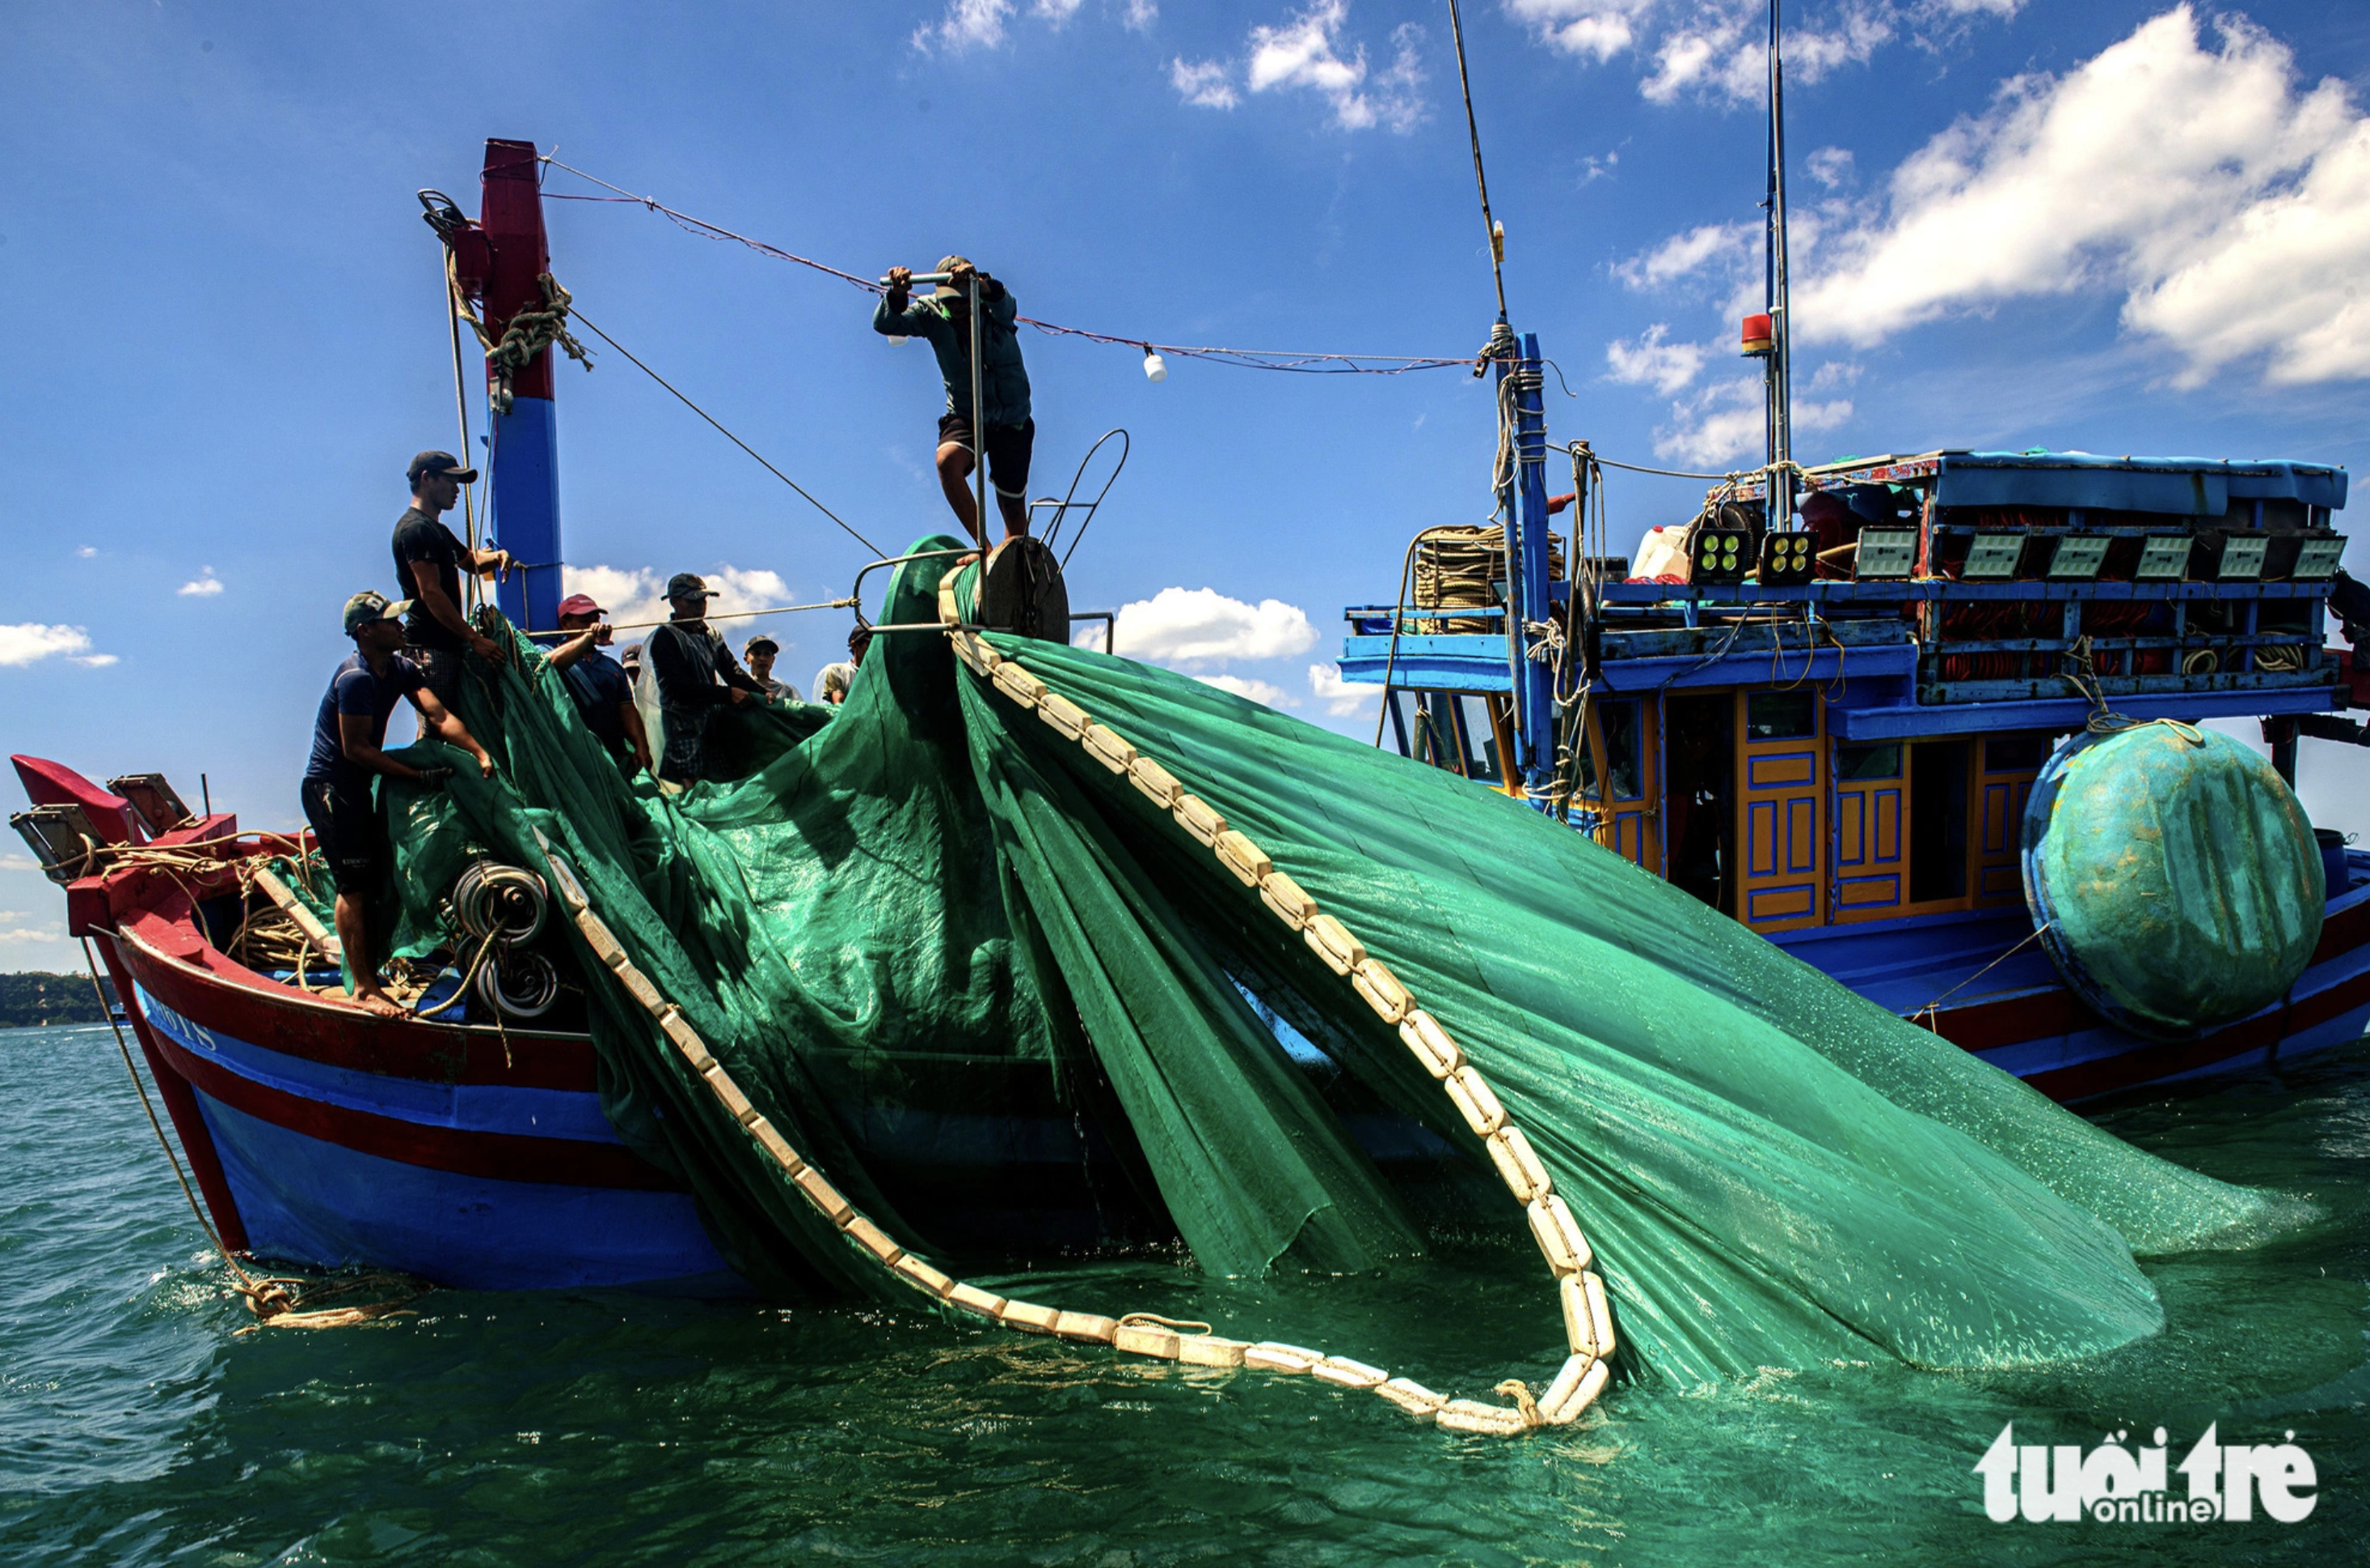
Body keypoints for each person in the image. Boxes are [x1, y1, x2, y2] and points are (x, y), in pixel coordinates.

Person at [303, 591, 496, 1018]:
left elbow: (440, 717)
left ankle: (371, 974)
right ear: (365, 631)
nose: (400, 626)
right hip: (332, 788)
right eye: (390, 622)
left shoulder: (402, 668)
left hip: (358, 786)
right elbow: (356, 750)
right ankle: (365, 990)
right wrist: (415, 776)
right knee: (353, 884)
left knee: (371, 880)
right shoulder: (354, 678)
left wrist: (480, 754)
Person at [874, 256, 1033, 546]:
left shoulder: (995, 307)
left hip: (1013, 417)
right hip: (966, 412)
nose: (957, 307)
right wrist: (896, 295)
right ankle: (984, 550)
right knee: (947, 461)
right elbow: (886, 323)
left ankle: (1015, 564)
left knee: (1013, 514)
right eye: (950, 300)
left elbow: (1004, 300)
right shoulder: (930, 312)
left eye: (962, 300)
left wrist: (981, 285)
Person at [393, 449, 513, 706]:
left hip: (447, 646)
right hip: (429, 649)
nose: (457, 489)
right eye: (450, 480)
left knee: (454, 724)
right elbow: (431, 593)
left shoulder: (438, 531)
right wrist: (474, 639)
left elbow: (470, 561)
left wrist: (497, 556)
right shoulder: (416, 529)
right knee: (439, 727)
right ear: (427, 479)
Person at [645, 573, 767, 786]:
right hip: (683, 728)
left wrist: (763, 693)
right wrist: (726, 694)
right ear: (675, 602)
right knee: (694, 789)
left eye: (703, 600)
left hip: (713, 725)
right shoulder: (666, 637)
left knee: (723, 782)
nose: (700, 606)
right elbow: (677, 688)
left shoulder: (711, 634)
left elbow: (732, 672)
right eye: (692, 601)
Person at [547, 592, 653, 774]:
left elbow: (627, 708)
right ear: (565, 624)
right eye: (585, 621)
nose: (594, 626)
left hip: (613, 757)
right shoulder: (550, 653)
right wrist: (587, 637)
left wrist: (641, 746)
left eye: (596, 620)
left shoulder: (611, 666)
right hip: (572, 758)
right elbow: (548, 665)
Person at [812, 624, 871, 706]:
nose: (872, 649)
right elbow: (839, 706)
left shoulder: (878, 676)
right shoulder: (837, 671)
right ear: (854, 645)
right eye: (869, 644)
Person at [742, 635, 803, 702]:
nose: (762, 658)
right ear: (746, 659)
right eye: (757, 654)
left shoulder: (786, 691)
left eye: (767, 654)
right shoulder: (738, 689)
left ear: (773, 659)